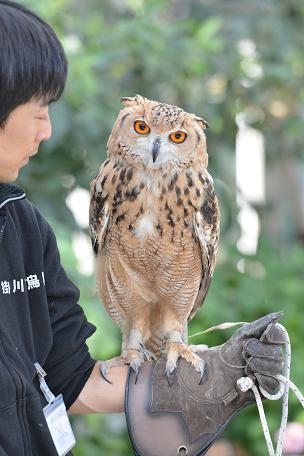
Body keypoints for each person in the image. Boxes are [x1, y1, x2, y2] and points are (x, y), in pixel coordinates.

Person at [0, 1, 286, 455]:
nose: (48, 131)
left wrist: (215, 377)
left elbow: (74, 382)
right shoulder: (103, 189)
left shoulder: (21, 226)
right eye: (38, 112)